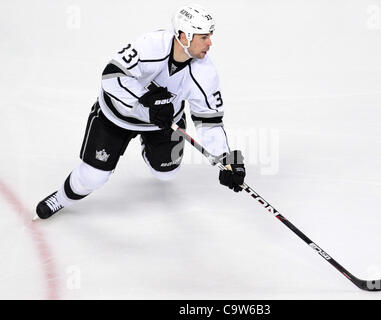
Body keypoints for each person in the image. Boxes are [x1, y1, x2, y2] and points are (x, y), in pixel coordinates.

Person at [35, 4, 246, 220]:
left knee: (166, 173)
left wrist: (225, 159)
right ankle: (60, 198)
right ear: (184, 35)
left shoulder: (206, 73)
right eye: (203, 37)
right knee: (92, 178)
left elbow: (209, 120)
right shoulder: (151, 45)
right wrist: (145, 99)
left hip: (163, 123)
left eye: (210, 36)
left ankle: (149, 147)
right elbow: (111, 77)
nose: (210, 43)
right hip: (116, 117)